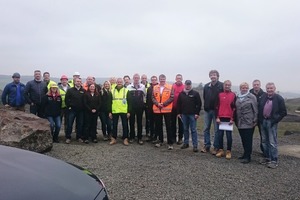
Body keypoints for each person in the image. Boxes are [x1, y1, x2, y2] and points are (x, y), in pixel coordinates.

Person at [258, 82, 287, 169]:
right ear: (266, 89)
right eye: (268, 88)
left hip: (272, 122)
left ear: (274, 89)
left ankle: (274, 160)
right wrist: (260, 119)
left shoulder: (279, 98)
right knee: (264, 141)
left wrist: (275, 120)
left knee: (272, 142)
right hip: (263, 121)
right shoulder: (263, 97)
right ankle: (267, 158)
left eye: (271, 88)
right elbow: (259, 108)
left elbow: (283, 112)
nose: (269, 90)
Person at [201, 70, 223, 154]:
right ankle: (207, 146)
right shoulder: (206, 86)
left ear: (217, 76)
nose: (213, 76)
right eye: (211, 75)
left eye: (214, 75)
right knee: (206, 128)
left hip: (217, 112)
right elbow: (204, 97)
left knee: (217, 129)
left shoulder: (221, 86)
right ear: (209, 76)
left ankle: (216, 147)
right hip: (207, 110)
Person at [235, 82, 258, 164]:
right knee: (243, 139)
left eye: (246, 88)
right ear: (240, 88)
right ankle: (245, 154)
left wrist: (255, 120)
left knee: (248, 139)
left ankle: (248, 156)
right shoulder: (237, 97)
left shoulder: (252, 97)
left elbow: (255, 109)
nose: (244, 89)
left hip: (249, 122)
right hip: (240, 122)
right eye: (242, 88)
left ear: (248, 88)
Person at [177, 80, 202, 152]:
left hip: (192, 115)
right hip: (184, 114)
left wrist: (197, 113)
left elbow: (199, 104)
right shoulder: (181, 94)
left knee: (193, 130)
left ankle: (195, 145)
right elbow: (179, 104)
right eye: (187, 84)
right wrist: (179, 113)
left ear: (191, 85)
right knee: (185, 129)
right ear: (185, 85)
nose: (188, 86)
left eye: (189, 84)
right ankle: (186, 143)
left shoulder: (195, 93)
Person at [215, 80, 236, 159]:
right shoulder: (220, 94)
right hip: (220, 118)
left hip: (229, 119)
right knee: (220, 135)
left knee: (229, 136)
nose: (227, 86)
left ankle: (228, 151)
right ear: (223, 85)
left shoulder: (233, 95)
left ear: (230, 86)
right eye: (226, 85)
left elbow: (234, 108)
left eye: (229, 85)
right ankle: (220, 150)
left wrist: (232, 119)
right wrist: (217, 117)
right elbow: (217, 106)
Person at [152, 74, 174, 150]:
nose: (162, 80)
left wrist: (164, 104)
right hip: (157, 109)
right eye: (161, 79)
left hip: (167, 109)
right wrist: (157, 104)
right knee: (159, 126)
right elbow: (153, 97)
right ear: (159, 79)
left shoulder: (170, 87)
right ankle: (160, 141)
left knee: (168, 126)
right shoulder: (155, 87)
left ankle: (170, 143)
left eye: (163, 79)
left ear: (165, 79)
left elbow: (172, 97)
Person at [109, 78, 131, 146]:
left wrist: (129, 112)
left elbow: (130, 102)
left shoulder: (126, 90)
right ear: (116, 82)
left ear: (122, 82)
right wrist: (110, 112)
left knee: (125, 125)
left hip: (124, 110)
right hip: (114, 110)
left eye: (120, 82)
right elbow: (109, 102)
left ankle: (125, 138)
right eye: (118, 82)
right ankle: (114, 138)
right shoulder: (112, 91)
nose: (119, 83)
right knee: (114, 125)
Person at [127, 73, 146, 144]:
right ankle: (132, 137)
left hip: (140, 107)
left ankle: (139, 138)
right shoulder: (129, 87)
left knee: (139, 122)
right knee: (131, 122)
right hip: (131, 107)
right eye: (135, 78)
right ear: (133, 78)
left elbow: (145, 96)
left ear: (139, 79)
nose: (136, 79)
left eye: (137, 78)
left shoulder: (142, 87)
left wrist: (144, 105)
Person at [65, 78, 85, 144]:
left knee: (80, 124)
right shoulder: (70, 90)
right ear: (74, 82)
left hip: (81, 111)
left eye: (79, 81)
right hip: (72, 110)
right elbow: (66, 100)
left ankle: (79, 137)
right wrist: (69, 107)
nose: (78, 82)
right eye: (77, 81)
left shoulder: (83, 90)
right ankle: (68, 137)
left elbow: (85, 101)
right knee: (70, 124)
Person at [250, 79, 265, 153]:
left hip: (261, 118)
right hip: (251, 118)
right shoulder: (249, 93)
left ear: (260, 85)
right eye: (254, 84)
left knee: (263, 135)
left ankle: (264, 150)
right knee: (249, 135)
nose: (256, 86)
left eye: (257, 84)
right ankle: (248, 151)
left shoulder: (264, 94)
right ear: (252, 85)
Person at [171, 74, 185, 145]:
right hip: (173, 107)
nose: (179, 79)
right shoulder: (172, 86)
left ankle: (180, 138)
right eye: (177, 78)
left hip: (181, 109)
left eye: (180, 78)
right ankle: (173, 137)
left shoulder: (184, 87)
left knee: (181, 124)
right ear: (175, 79)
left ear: (182, 79)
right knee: (173, 123)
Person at [146, 75, 158, 142]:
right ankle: (151, 135)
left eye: (155, 80)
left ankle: (156, 136)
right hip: (150, 108)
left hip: (157, 108)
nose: (153, 81)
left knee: (156, 123)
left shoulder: (158, 87)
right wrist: (147, 107)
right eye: (152, 80)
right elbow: (147, 98)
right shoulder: (149, 88)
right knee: (151, 122)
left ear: (157, 80)